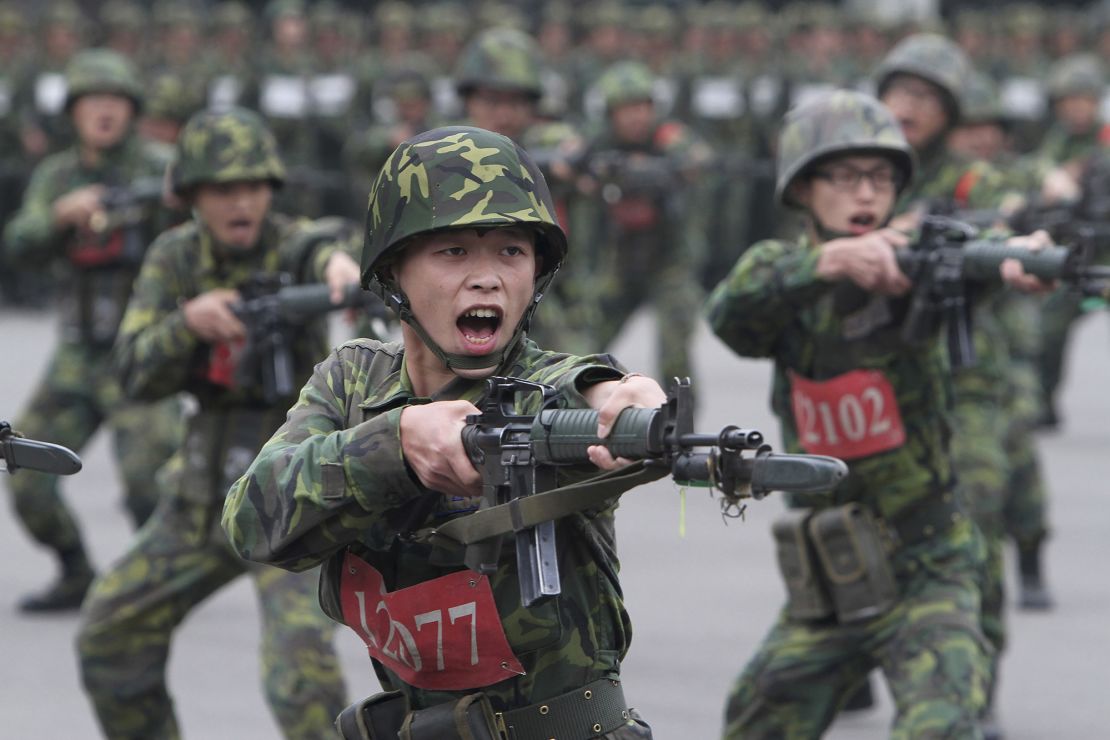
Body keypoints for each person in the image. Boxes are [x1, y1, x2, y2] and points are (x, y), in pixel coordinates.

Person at [222, 125, 661, 739]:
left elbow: (584, 388)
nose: (487, 278)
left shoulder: (544, 387)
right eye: (453, 252)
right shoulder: (355, 382)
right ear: (394, 274)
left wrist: (628, 402)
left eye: (511, 251)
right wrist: (393, 446)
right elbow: (250, 521)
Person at [706, 89, 1049, 740]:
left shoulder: (923, 258)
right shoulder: (784, 273)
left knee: (941, 726)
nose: (867, 193)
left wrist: (1018, 257)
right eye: (845, 175)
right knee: (755, 719)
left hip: (931, 568)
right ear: (803, 188)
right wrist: (831, 263)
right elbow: (730, 316)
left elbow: (985, 249)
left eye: (882, 177)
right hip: (831, 575)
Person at [76, 107, 353, 739]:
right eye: (224, 189)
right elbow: (131, 373)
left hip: (294, 500)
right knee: (110, 635)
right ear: (193, 196)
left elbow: (322, 247)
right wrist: (188, 325)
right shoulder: (174, 258)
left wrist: (337, 267)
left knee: (301, 678)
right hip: (203, 497)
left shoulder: (294, 242)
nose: (242, 202)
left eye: (254, 186)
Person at [2, 48, 183, 612]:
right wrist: (61, 214)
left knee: (149, 483)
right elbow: (19, 244)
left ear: (131, 110)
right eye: (91, 102)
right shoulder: (58, 174)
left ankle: (152, 587)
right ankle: (75, 570)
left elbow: (211, 228)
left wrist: (174, 201)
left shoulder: (160, 168)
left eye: (115, 102)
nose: (104, 112)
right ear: (74, 111)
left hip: (141, 350)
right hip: (78, 354)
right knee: (26, 469)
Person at [576, 60, 712, 390]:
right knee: (584, 345)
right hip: (619, 261)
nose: (636, 117)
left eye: (642, 107)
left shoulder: (666, 136)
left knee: (675, 354)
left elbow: (697, 156)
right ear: (610, 114)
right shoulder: (599, 142)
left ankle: (681, 428)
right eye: (626, 109)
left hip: (669, 262)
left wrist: (658, 170)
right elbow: (573, 164)